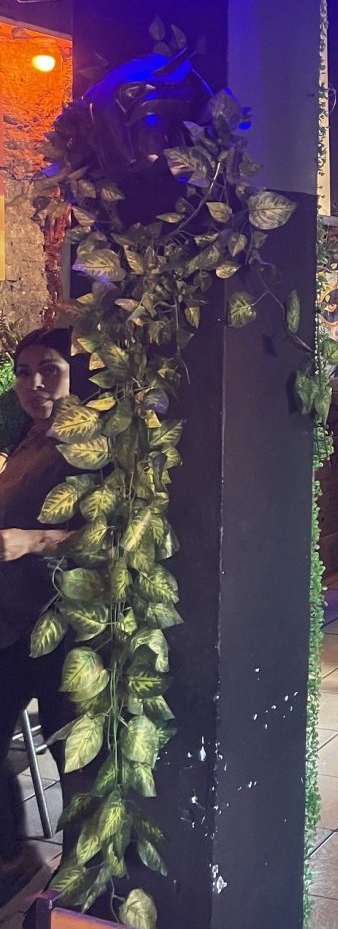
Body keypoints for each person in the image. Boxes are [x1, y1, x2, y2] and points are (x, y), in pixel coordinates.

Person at [0, 328, 77, 906]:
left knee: (67, 753)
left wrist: (33, 541)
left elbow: (107, 537)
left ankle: (75, 876)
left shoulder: (88, 445)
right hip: (9, 618)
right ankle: (12, 857)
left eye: (48, 368)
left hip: (56, 623)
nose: (34, 383)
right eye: (24, 371)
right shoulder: (31, 436)